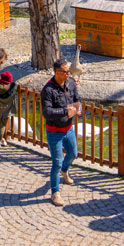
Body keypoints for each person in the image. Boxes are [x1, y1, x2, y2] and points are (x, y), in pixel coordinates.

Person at [41, 58, 81, 207]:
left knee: (73, 154)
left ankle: (65, 171)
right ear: (57, 72)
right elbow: (47, 112)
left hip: (68, 128)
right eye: (65, 72)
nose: (68, 75)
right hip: (54, 131)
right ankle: (55, 192)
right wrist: (65, 111)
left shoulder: (70, 84)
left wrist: (78, 109)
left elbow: (77, 100)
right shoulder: (48, 90)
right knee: (56, 162)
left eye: (68, 71)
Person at [0, 71, 17, 148]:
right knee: (2, 125)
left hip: (0, 108)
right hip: (7, 110)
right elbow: (17, 84)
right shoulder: (11, 88)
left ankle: (2, 139)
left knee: (0, 123)